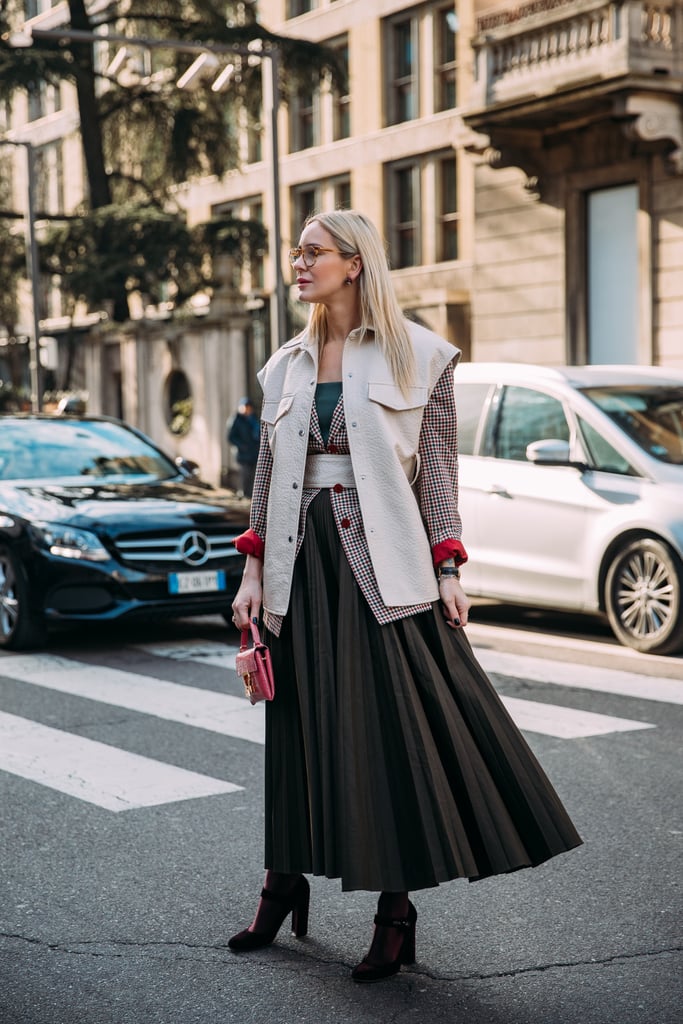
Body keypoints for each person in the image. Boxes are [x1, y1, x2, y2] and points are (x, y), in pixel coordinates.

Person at [229, 210, 582, 983]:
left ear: (354, 263)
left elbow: (438, 474)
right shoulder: (283, 363)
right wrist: (251, 571)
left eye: (312, 252)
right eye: (295, 253)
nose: (297, 263)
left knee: (383, 742)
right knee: (296, 731)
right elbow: (264, 477)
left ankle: (396, 912)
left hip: (379, 571)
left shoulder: (421, 355)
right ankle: (281, 884)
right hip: (296, 567)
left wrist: (449, 568)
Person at [227, 397, 260, 498]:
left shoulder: (253, 419)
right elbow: (231, 437)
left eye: (249, 407)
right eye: (245, 407)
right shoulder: (236, 419)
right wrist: (242, 446)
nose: (247, 409)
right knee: (245, 475)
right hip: (243, 454)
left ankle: (251, 495)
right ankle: (243, 494)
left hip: (254, 452)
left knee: (254, 476)